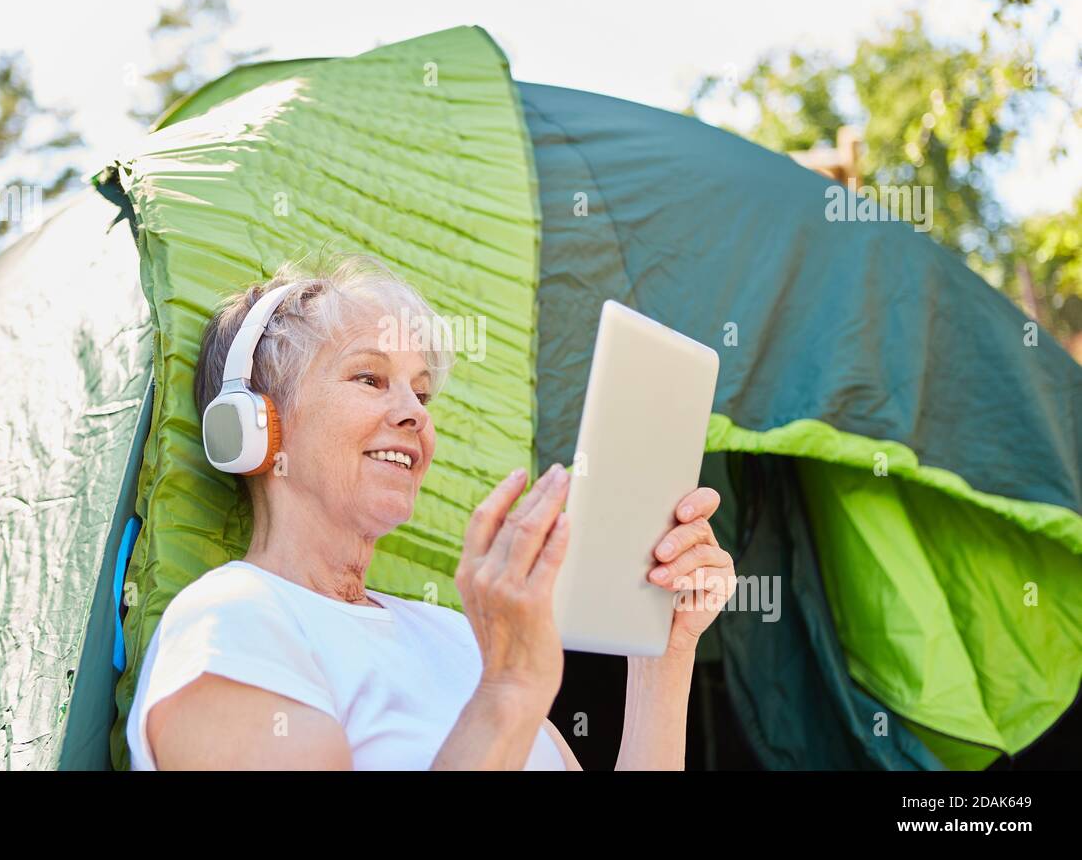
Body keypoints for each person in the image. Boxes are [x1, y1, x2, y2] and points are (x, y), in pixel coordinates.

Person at [125, 252, 735, 769]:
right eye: (369, 378)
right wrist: (510, 689)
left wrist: (666, 649)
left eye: (420, 392)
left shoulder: (460, 636)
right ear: (255, 426)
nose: (415, 414)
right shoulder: (231, 624)